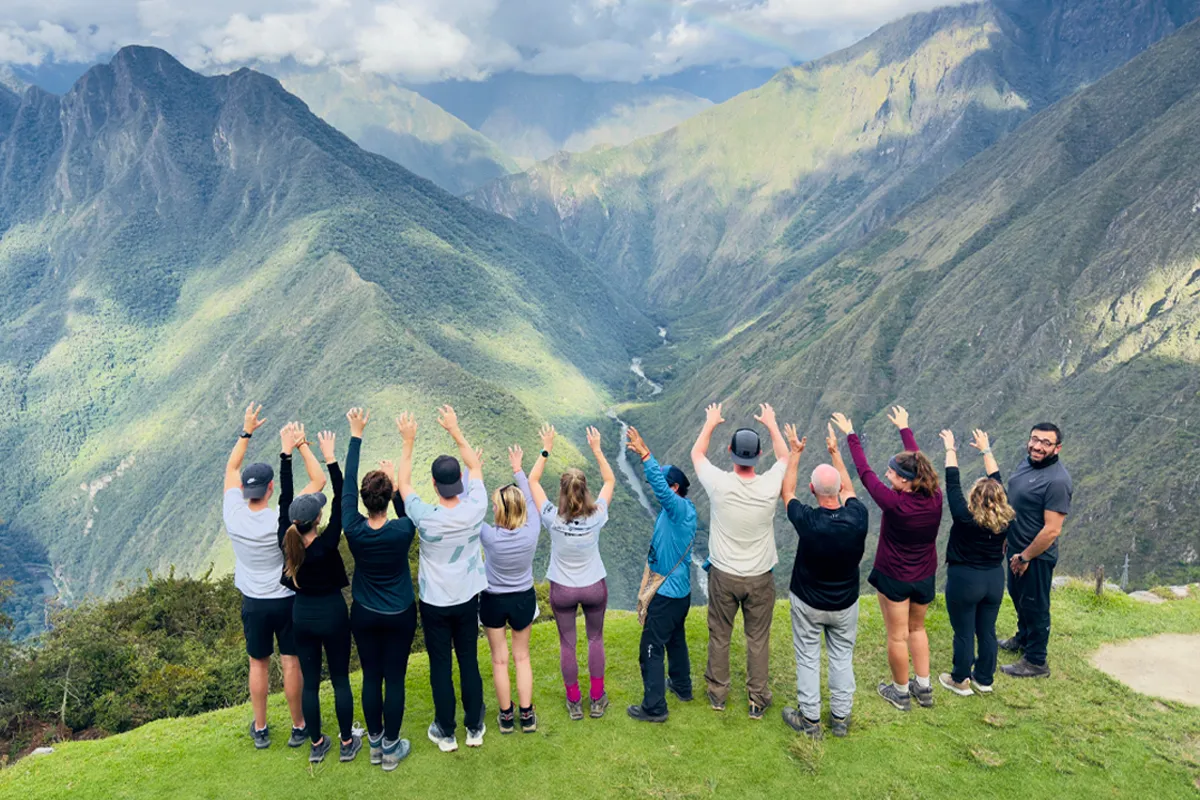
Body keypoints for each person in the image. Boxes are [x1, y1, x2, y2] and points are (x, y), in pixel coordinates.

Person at [832, 405, 942, 712]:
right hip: (924, 575)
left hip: (895, 575)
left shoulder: (895, 504)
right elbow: (919, 464)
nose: (886, 474)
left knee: (897, 635)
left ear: (906, 481)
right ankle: (924, 686)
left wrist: (851, 435)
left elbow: (864, 473)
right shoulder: (935, 497)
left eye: (892, 472)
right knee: (917, 629)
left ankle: (901, 692)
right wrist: (905, 429)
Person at [397, 406, 489, 752]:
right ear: (461, 483)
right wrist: (455, 429)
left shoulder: (425, 516)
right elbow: (476, 465)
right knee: (468, 659)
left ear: (434, 483)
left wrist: (408, 442)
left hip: (435, 600)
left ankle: (446, 731)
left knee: (440, 664)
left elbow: (403, 484)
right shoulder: (475, 507)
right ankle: (475, 727)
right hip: (467, 597)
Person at [691, 402, 789, 720]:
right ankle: (757, 699)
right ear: (759, 455)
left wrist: (710, 423)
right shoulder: (769, 485)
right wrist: (772, 424)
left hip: (724, 575)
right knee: (757, 638)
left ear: (731, 452)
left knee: (720, 634)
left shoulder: (719, 485)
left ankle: (718, 694)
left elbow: (697, 455)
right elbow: (785, 458)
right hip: (760, 577)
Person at [222, 402, 311, 750]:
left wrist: (246, 431)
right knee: (291, 662)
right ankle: (298, 725)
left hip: (254, 602)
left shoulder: (233, 514)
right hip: (286, 599)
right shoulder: (284, 519)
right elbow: (317, 483)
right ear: (272, 488)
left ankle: (260, 728)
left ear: (246, 491)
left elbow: (231, 467)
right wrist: (295, 446)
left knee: (258, 663)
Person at [780, 423, 868, 739]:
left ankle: (811, 720)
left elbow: (787, 492)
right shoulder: (858, 517)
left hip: (808, 600)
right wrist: (836, 454)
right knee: (842, 657)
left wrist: (795, 453)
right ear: (839, 492)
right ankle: (840, 719)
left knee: (808, 657)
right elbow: (849, 490)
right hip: (845, 602)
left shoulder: (808, 521)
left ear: (813, 490)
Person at [278, 424, 360, 764]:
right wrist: (330, 460)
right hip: (332, 613)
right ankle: (345, 743)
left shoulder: (287, 541)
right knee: (340, 678)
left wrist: (286, 455)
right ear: (319, 519)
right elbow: (344, 499)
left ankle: (316, 744)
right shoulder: (327, 544)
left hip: (302, 616)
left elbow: (284, 498)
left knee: (310, 682)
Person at [342, 408, 417, 771]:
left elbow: (346, 486)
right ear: (388, 497)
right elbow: (407, 510)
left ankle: (374, 744)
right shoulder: (402, 532)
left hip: (365, 613)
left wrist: (356, 436)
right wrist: (395, 479)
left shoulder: (353, 530)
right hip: (400, 611)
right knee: (395, 677)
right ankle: (391, 747)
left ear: (362, 500)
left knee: (371, 676)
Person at [528, 423, 616, 721]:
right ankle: (597, 698)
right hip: (593, 586)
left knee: (568, 642)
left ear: (562, 493)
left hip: (563, 589)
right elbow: (610, 479)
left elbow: (533, 480)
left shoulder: (553, 518)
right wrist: (597, 450)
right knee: (595, 639)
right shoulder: (598, 516)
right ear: (585, 491)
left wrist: (547, 447)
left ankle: (574, 701)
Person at [624, 426, 697, 724]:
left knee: (651, 647)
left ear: (675, 489)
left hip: (666, 594)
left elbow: (657, 484)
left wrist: (645, 454)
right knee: (675, 639)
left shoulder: (677, 509)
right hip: (679, 593)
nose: (660, 491)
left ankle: (655, 707)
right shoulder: (679, 511)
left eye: (667, 486)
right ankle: (682, 686)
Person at [937, 428, 1013, 696]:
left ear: (974, 498)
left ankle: (960, 679)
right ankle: (984, 679)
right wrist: (986, 450)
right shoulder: (1006, 518)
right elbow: (997, 480)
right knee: (987, 630)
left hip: (965, 579)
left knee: (964, 631)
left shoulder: (964, 517)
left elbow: (952, 482)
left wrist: (950, 449)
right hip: (994, 578)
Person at [999, 423, 1072, 679]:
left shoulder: (1057, 481)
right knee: (1019, 598)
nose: (1037, 446)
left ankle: (1036, 661)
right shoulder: (1027, 463)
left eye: (1045, 443)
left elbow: (1052, 530)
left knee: (1036, 605)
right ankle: (1023, 638)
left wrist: (1026, 556)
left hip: (1036, 556)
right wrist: (1009, 538)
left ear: (1057, 448)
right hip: (1016, 547)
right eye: (1034, 439)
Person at [479, 444, 543, 734]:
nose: (492, 507)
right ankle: (527, 715)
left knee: (500, 659)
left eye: (495, 505)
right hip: (523, 599)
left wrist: (474, 471)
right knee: (522, 657)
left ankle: (506, 717)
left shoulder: (489, 536)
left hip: (493, 599)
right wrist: (518, 470)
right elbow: (530, 497)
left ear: (501, 510)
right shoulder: (532, 531)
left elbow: (469, 509)